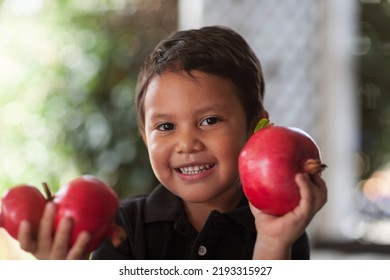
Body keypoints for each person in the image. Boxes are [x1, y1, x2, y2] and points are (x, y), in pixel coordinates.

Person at [17, 25, 327, 260]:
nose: (186, 143)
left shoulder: (282, 230)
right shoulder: (123, 226)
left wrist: (272, 244)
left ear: (256, 128)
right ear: (145, 139)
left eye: (209, 120)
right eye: (166, 126)